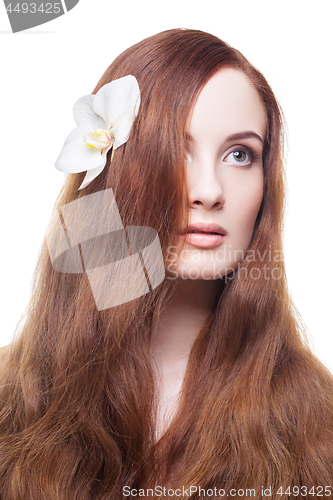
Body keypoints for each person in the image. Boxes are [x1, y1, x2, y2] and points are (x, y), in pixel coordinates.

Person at [0, 28, 332, 500]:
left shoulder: (320, 421)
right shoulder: (13, 403)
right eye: (176, 149)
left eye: (240, 155)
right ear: (114, 169)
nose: (210, 191)